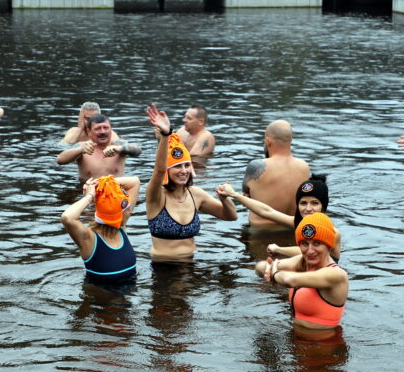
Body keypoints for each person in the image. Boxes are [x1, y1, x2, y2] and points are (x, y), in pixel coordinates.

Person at [144, 104, 237, 260]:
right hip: (164, 267)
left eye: (187, 165)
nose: (184, 171)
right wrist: (166, 135)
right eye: (177, 166)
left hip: (192, 264)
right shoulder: (156, 195)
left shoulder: (196, 194)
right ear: (168, 170)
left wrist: (224, 199)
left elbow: (231, 216)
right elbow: (159, 170)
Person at [257, 213, 349, 333]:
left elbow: (290, 280)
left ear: (328, 245)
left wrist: (274, 274)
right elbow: (260, 267)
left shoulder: (336, 275)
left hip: (323, 343)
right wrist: (267, 268)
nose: (310, 251)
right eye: (305, 243)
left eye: (317, 243)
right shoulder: (302, 262)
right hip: (294, 338)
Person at [217, 174, 341, 260]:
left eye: (314, 203)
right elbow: (266, 211)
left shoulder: (333, 232)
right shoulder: (299, 222)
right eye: (303, 203)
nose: (308, 209)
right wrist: (234, 194)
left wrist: (279, 249)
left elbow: (309, 251)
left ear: (323, 206)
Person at [61, 175, 141, 286]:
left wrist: (102, 185)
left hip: (129, 296)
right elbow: (67, 217)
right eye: (127, 208)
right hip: (100, 296)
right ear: (117, 215)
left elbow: (135, 182)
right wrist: (89, 196)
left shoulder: (120, 227)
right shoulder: (89, 239)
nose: (131, 211)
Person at [242, 120, 311, 230]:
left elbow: (245, 196)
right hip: (294, 231)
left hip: (260, 233)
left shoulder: (256, 166)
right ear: (291, 140)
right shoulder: (304, 167)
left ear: (268, 140)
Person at [56, 113, 141, 181]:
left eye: (106, 128)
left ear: (111, 129)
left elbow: (138, 150)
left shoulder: (119, 145)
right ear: (89, 132)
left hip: (116, 191)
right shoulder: (83, 146)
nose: (103, 132)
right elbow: (60, 160)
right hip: (89, 192)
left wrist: (120, 149)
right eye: (98, 128)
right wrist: (80, 150)